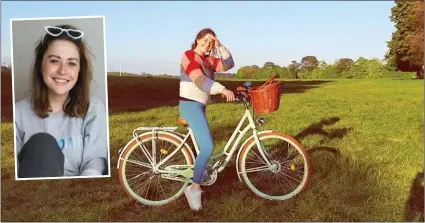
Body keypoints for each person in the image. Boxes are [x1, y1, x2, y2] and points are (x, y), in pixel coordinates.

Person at [14, 25, 108, 178]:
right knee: (42, 143)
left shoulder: (94, 108)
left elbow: (95, 160)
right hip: (35, 194)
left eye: (71, 63)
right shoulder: (16, 113)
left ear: (79, 70)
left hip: (76, 193)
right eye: (54, 61)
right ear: (40, 65)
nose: (63, 71)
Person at [179, 28, 235, 210]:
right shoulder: (189, 56)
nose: (206, 45)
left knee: (204, 146)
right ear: (196, 40)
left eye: (210, 42)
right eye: (204, 40)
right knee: (208, 147)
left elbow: (229, 64)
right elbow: (200, 80)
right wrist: (223, 89)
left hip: (200, 106)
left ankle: (198, 172)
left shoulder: (209, 60)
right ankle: (194, 189)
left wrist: (219, 45)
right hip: (189, 105)